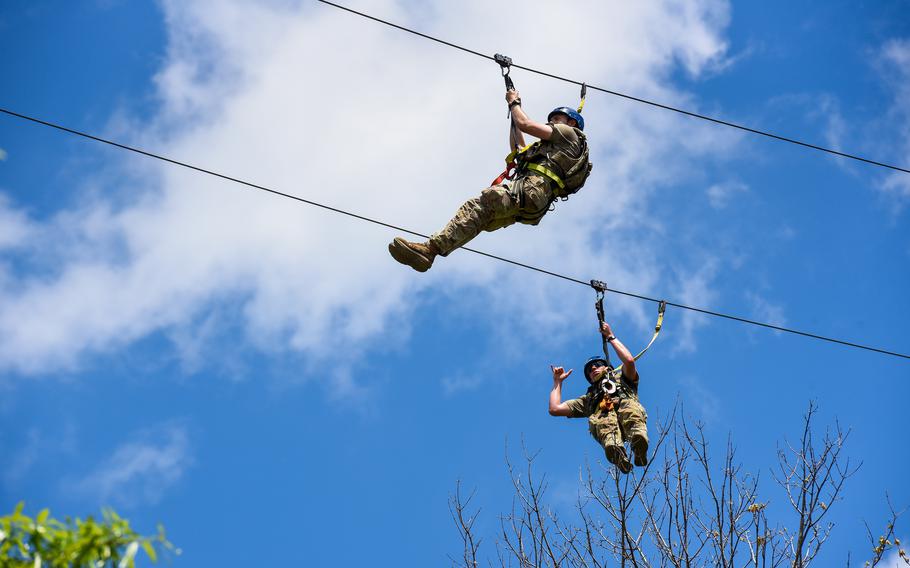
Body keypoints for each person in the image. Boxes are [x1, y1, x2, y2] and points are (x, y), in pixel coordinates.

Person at [388, 88, 592, 272]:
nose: (551, 122)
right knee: (479, 216)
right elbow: (519, 149)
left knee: (478, 205)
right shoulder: (553, 152)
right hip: (534, 205)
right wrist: (514, 112)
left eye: (557, 118)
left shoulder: (569, 134)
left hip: (530, 191)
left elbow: (526, 124)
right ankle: (430, 252)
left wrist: (514, 103)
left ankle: (431, 248)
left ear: (571, 123)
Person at [548, 321, 649, 473]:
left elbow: (629, 361)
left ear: (608, 367)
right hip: (608, 427)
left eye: (596, 365)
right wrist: (557, 382)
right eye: (589, 370)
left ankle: (638, 442)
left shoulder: (622, 379)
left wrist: (610, 336)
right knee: (601, 417)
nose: (593, 369)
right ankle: (616, 451)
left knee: (627, 406)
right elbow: (554, 409)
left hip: (629, 416)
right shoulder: (589, 399)